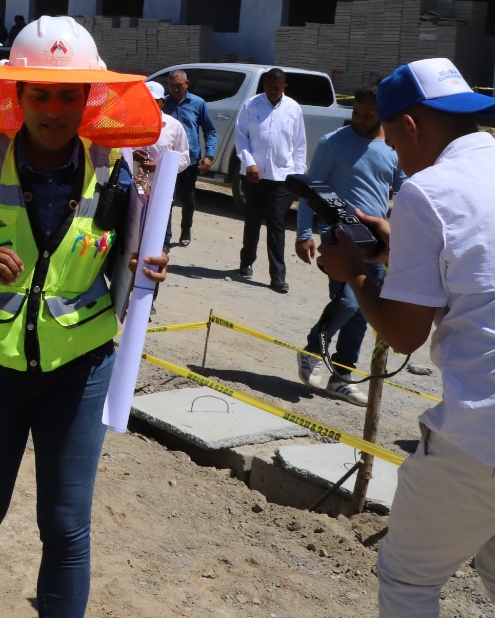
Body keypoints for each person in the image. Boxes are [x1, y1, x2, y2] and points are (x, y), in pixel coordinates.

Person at [0, 16, 168, 618]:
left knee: (65, 526)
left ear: (89, 99)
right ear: (17, 95)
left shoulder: (121, 168)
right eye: (41, 94)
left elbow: (124, 268)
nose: (54, 109)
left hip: (77, 373)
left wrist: (142, 270)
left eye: (68, 94)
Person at [316, 58, 495, 618]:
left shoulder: (427, 190)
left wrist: (355, 273)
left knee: (409, 577)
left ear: (409, 125)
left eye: (392, 139)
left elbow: (406, 334)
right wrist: (402, 250)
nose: (394, 156)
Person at [292, 87, 404, 406]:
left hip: (375, 240)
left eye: (368, 115)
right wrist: (303, 234)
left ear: (382, 114)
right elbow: (310, 190)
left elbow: (404, 186)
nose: (359, 119)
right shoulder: (333, 143)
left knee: (366, 311)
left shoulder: (393, 149)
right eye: (355, 112)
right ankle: (314, 349)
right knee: (350, 302)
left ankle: (342, 376)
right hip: (338, 236)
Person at [233, 67, 306, 293]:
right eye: (268, 87)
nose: (272, 91)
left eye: (277, 88)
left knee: (276, 223)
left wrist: (298, 176)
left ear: (284, 86)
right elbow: (241, 138)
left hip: (282, 176)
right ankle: (246, 262)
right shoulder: (250, 105)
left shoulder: (293, 108)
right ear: (263, 86)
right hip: (254, 176)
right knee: (253, 220)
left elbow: (299, 145)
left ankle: (278, 276)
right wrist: (249, 163)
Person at [161, 70, 217, 247]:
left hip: (190, 160)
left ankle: (186, 229)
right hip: (168, 160)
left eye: (179, 85)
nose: (176, 89)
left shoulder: (198, 103)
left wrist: (209, 155)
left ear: (187, 84)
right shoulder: (164, 103)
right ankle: (165, 237)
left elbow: (210, 131)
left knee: (188, 198)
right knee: (167, 199)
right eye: (172, 86)